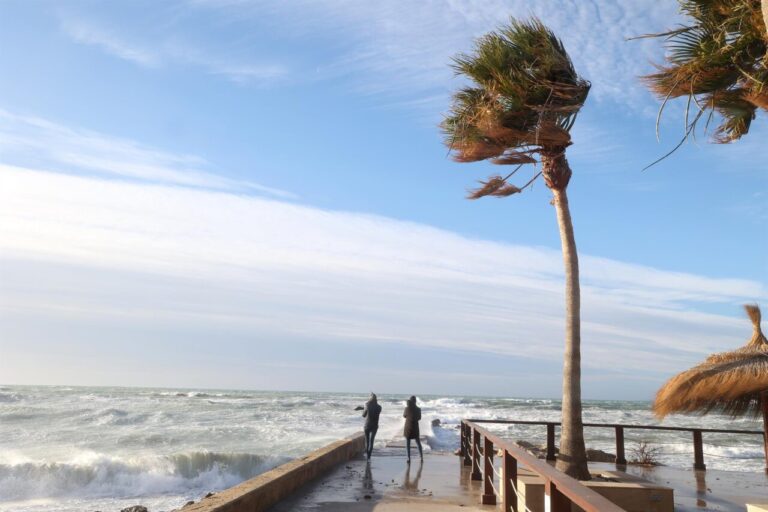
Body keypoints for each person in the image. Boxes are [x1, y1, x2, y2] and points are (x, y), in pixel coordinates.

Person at [403, 395, 423, 463]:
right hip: (415, 427)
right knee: (418, 443)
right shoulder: (418, 409)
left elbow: (404, 416)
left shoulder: (407, 408)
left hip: (408, 427)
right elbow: (419, 418)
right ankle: (421, 457)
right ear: (415, 401)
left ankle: (408, 458)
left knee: (408, 443)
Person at [362, 393, 381, 459]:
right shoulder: (379, 407)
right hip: (375, 426)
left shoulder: (367, 405)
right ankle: (369, 456)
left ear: (370, 398)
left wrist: (364, 407)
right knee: (371, 441)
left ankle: (367, 455)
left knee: (367, 441)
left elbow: (363, 415)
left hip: (367, 425)